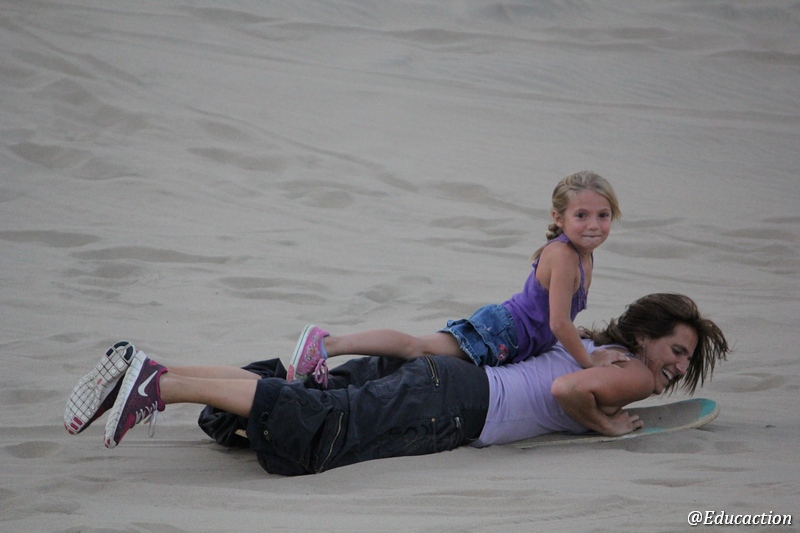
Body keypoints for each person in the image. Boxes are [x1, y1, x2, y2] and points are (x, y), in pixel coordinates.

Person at [64, 293, 729, 476]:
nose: (672, 370)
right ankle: (161, 389)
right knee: (323, 428)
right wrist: (607, 423)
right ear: (649, 335)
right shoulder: (631, 372)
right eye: (675, 352)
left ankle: (153, 367)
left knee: (315, 396)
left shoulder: (594, 342)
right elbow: (567, 394)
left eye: (683, 363)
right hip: (457, 404)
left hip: (449, 377)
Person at [287, 171, 626, 389]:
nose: (593, 225)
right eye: (581, 215)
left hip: (512, 335)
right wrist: (589, 360)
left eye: (603, 215)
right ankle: (328, 344)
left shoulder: (583, 253)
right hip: (501, 333)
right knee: (417, 348)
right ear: (559, 218)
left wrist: (572, 331)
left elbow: (556, 313)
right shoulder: (564, 255)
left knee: (419, 350)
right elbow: (558, 322)